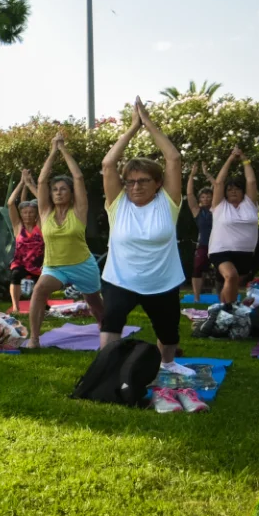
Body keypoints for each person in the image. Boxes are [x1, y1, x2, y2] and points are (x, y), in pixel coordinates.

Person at [97, 98, 188, 371]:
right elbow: (108, 164)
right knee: (111, 320)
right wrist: (132, 128)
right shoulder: (118, 203)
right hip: (120, 279)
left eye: (143, 180)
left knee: (168, 331)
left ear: (157, 183)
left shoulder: (168, 203)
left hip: (162, 281)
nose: (135, 186)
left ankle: (167, 367)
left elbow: (173, 158)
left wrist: (149, 124)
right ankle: (107, 370)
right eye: (131, 181)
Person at [25, 132, 107, 348]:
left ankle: (106, 329)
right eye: (55, 190)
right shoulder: (44, 212)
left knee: (95, 304)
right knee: (40, 289)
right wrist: (52, 151)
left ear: (71, 194)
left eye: (63, 189)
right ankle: (34, 338)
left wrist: (63, 150)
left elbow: (78, 178)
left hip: (82, 265)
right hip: (54, 267)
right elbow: (42, 180)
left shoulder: (79, 211)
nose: (58, 193)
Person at [208, 146, 259, 307]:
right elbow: (218, 182)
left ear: (242, 192)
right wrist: (231, 158)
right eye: (229, 189)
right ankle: (228, 310)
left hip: (245, 252)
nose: (233, 191)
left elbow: (251, 181)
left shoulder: (249, 204)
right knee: (231, 276)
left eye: (237, 189)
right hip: (220, 250)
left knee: (233, 283)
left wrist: (244, 158)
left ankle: (225, 310)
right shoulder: (220, 206)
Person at [6, 174, 44, 313]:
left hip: (38, 264)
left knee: (43, 283)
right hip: (20, 262)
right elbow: (10, 203)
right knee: (15, 275)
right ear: (21, 214)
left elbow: (42, 202)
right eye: (25, 212)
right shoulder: (18, 226)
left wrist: (30, 185)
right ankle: (16, 306)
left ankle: (43, 304)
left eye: (31, 212)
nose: (28, 215)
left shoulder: (40, 226)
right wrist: (21, 183)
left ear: (36, 214)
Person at [185, 163, 215, 298]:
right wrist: (192, 175)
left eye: (208, 196)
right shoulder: (197, 211)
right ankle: (197, 297)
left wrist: (207, 174)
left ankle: (223, 296)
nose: (206, 198)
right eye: (203, 197)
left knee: (221, 271)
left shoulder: (217, 208)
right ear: (200, 199)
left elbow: (218, 186)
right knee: (197, 269)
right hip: (203, 244)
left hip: (219, 243)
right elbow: (189, 193)